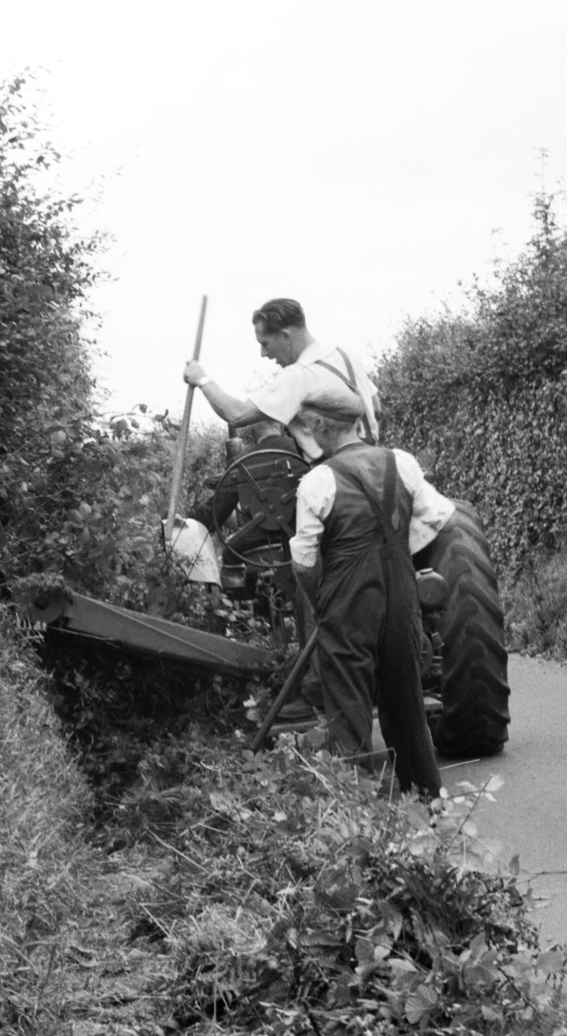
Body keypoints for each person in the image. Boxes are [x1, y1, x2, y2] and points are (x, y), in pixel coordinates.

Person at [287, 399, 443, 799]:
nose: (309, 435)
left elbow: (303, 562)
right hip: (401, 598)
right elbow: (439, 515)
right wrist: (400, 549)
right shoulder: (401, 463)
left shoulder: (317, 481)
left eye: (310, 427)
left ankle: (358, 810)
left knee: (348, 707)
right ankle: (426, 796)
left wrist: (320, 604)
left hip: (348, 601)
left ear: (321, 424)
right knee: (406, 699)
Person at [183, 297, 382, 456]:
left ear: (285, 336)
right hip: (375, 467)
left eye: (265, 344)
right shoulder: (346, 356)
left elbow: (237, 414)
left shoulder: (297, 376)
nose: (263, 354)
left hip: (335, 482)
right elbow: (376, 407)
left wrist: (201, 379)